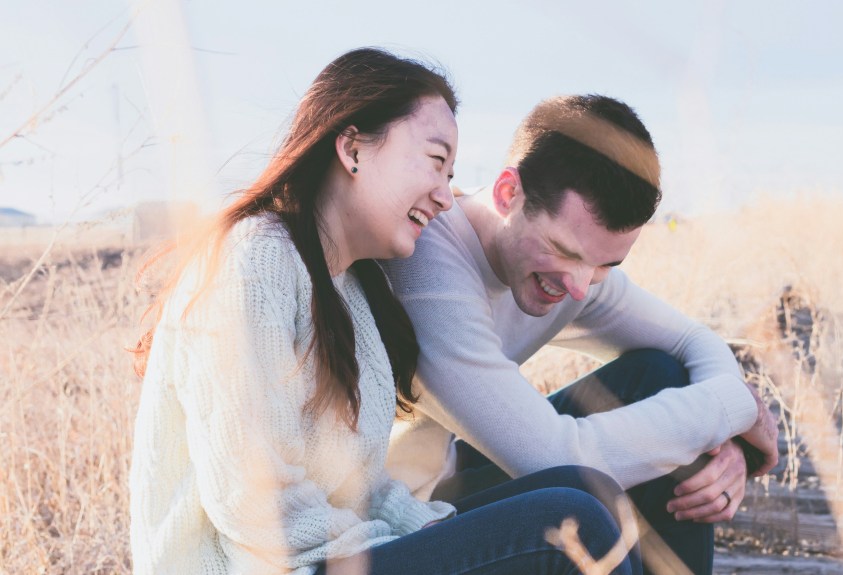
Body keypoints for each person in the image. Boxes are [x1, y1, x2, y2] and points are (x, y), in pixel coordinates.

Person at [129, 50, 639, 575]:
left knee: (587, 488)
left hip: (336, 555)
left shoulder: (348, 288)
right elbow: (252, 500)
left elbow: (358, 486)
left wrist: (422, 527)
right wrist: (389, 543)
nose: (446, 196)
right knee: (573, 523)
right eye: (435, 162)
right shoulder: (254, 260)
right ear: (352, 149)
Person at [380, 94, 780, 574]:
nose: (577, 286)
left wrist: (724, 442)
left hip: (440, 484)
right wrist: (733, 409)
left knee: (661, 374)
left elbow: (692, 341)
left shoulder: (576, 272)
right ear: (509, 194)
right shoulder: (427, 266)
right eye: (563, 251)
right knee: (584, 504)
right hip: (386, 527)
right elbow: (554, 457)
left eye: (606, 264)